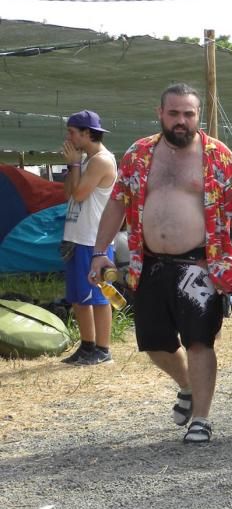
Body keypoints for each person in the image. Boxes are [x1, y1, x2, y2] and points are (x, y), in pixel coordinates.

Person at [89, 84, 232, 444]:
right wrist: (98, 251)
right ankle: (186, 387)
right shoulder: (138, 154)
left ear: (199, 116)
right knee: (154, 343)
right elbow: (117, 204)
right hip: (148, 263)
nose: (181, 121)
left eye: (189, 114)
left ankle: (201, 418)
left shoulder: (218, 156)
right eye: (174, 113)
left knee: (199, 341)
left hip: (201, 265)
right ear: (160, 113)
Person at [60, 110, 118, 366]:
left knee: (97, 294)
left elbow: (80, 194)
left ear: (86, 133)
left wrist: (73, 165)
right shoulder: (85, 160)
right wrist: (73, 166)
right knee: (78, 296)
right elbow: (68, 195)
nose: (68, 137)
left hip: (93, 239)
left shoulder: (101, 161)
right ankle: (87, 346)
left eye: (72, 132)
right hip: (76, 235)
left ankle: (103, 349)